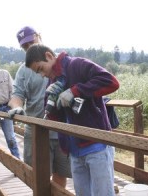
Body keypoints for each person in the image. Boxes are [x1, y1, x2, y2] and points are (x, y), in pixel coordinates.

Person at [25, 44, 120, 196]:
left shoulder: (77, 65)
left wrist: (75, 90)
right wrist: (49, 98)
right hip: (74, 151)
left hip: (97, 145)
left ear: (49, 56)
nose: (42, 75)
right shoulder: (52, 82)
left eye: (41, 69)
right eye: (38, 72)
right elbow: (52, 118)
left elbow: (111, 82)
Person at [7, 26, 71, 187]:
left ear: (39, 37)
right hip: (36, 131)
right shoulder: (23, 70)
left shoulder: (58, 62)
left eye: (31, 42)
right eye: (25, 46)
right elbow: (17, 96)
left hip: (61, 130)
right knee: (36, 178)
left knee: (60, 175)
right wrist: (16, 107)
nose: (29, 48)